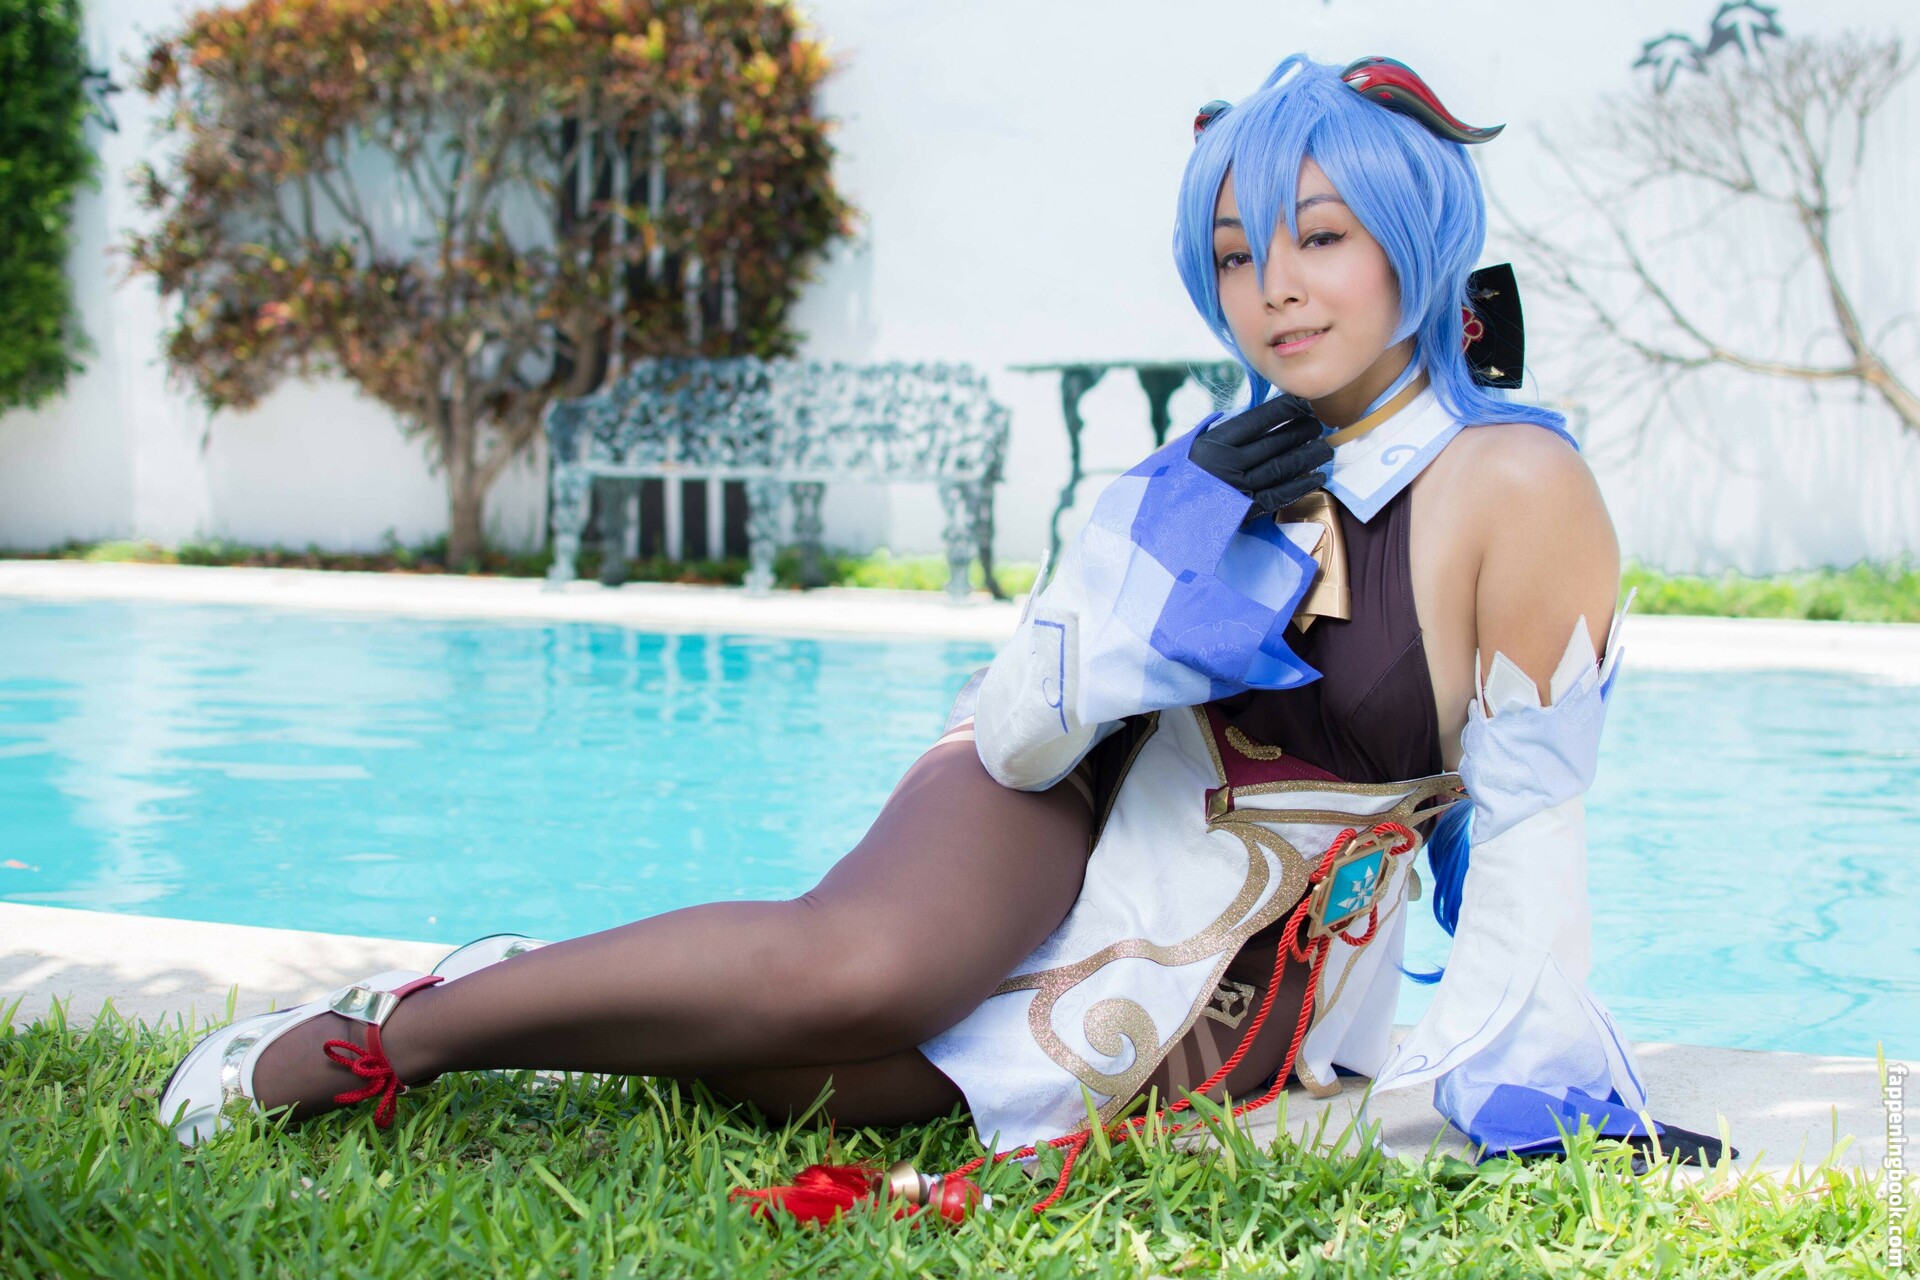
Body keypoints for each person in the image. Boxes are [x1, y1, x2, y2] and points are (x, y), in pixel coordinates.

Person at [160, 52, 1731, 1176]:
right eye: (1238, 254)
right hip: (1054, 787)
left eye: (1320, 237)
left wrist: (1525, 1084)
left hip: (1223, 924)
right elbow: (1030, 728)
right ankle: (386, 1042)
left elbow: (1528, 819)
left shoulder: (1516, 485)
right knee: (867, 974)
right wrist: (1165, 539)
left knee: (816, 1089)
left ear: (1416, 236)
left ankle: (523, 977)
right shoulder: (1201, 461)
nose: (1276, 291)